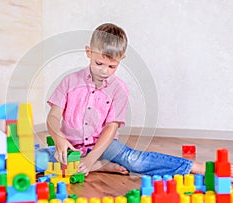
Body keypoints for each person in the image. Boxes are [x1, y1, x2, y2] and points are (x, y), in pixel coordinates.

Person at [44, 22, 206, 176]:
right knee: (36, 159)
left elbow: (111, 127)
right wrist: (59, 139)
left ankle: (194, 167)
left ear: (121, 59)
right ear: (89, 52)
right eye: (99, 63)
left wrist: (91, 157)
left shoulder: (119, 89)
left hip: (105, 145)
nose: (104, 71)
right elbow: (54, 116)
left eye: (112, 66)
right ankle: (97, 166)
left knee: (134, 161)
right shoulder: (69, 81)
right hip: (71, 145)